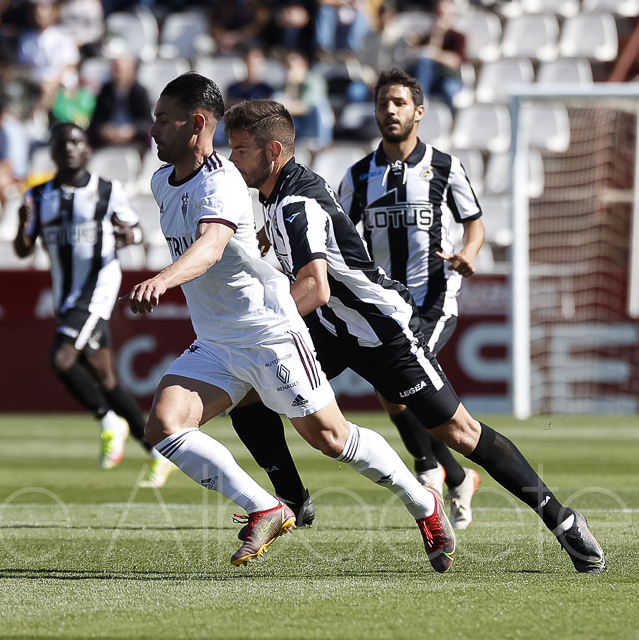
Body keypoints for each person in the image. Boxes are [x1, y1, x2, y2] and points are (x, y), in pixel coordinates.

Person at [223, 98, 605, 573]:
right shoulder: (279, 195)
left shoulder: (295, 201)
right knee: (248, 396)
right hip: (336, 328)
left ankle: (563, 520)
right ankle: (292, 500)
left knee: (459, 432)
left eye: (240, 149)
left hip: (383, 329)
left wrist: (259, 331)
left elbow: (315, 287)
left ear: (273, 151)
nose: (231, 159)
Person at [129, 73, 453, 570]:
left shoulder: (224, 181)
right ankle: (265, 506)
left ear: (196, 124)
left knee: (332, 440)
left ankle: (422, 502)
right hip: (218, 342)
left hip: (271, 333)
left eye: (162, 120)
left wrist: (164, 279)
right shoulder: (160, 182)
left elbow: (212, 246)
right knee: (165, 425)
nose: (152, 130)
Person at [333, 68, 484, 528]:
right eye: (383, 103)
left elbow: (473, 221)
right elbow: (334, 229)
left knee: (401, 388)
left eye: (399, 103)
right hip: (386, 303)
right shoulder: (359, 175)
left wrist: (469, 253)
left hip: (434, 296)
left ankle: (428, 471)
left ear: (419, 111)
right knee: (397, 393)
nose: (390, 110)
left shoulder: (445, 166)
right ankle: (456, 476)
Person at [14, 123, 169, 482]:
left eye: (77, 142)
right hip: (65, 297)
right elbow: (23, 249)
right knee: (107, 379)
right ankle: (159, 453)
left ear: (88, 150)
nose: (69, 148)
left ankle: (106, 419)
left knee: (61, 359)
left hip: (97, 291)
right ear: (52, 152)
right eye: (61, 143)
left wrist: (128, 234)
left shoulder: (107, 190)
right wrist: (21, 230)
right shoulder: (38, 196)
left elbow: (137, 231)